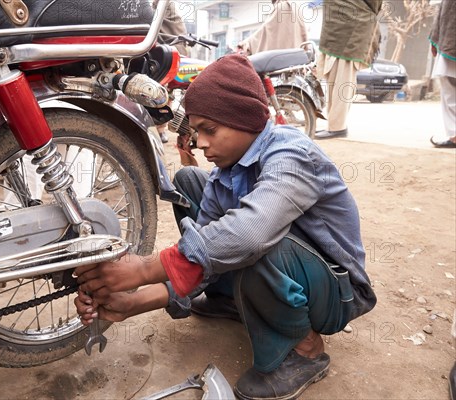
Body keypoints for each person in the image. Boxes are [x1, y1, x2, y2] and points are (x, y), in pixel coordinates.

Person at [74, 53, 376, 400]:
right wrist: (135, 302)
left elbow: (250, 233)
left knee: (253, 239)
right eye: (197, 130)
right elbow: (202, 253)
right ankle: (232, 299)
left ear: (245, 120)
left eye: (209, 130)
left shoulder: (292, 154)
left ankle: (306, 349)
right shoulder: (224, 174)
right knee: (191, 183)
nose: (199, 142)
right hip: (291, 264)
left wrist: (145, 269)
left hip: (337, 293)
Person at [314, 0, 382, 139]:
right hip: (334, 32)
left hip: (352, 30)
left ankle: (338, 127)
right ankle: (333, 125)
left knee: (343, 81)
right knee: (333, 81)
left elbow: (375, 4)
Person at [153, 0, 190, 143]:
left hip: (173, 51)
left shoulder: (164, 5)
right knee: (163, 91)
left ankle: (162, 128)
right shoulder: (157, 6)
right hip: (166, 49)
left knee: (165, 91)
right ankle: (161, 128)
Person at [428, 0, 456, 149]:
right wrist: (435, 38)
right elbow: (441, 11)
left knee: (450, 89)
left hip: (450, 42)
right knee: (449, 86)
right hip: (449, 41)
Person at [236, 0, 307, 56]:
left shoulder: (281, 7)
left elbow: (266, 29)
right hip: (298, 57)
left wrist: (246, 43)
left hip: (283, 60)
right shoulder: (296, 7)